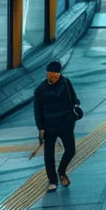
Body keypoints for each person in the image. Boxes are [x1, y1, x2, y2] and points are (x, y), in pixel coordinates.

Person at [34, 60, 80, 193]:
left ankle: (61, 171)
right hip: (49, 126)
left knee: (70, 150)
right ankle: (52, 180)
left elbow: (74, 99)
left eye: (55, 75)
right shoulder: (40, 90)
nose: (52, 78)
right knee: (49, 155)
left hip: (65, 123)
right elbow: (37, 111)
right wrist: (41, 128)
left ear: (59, 74)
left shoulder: (66, 83)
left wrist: (73, 113)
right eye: (50, 75)